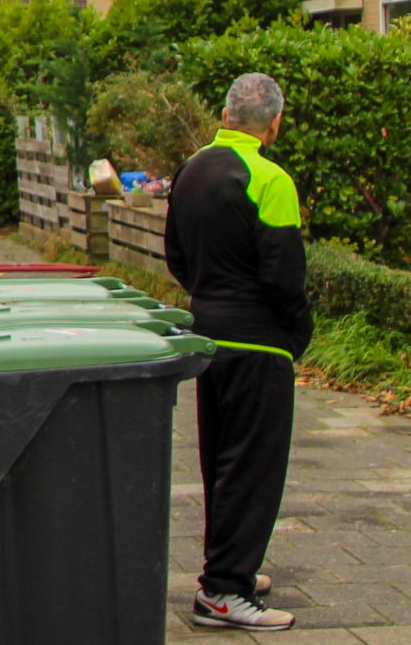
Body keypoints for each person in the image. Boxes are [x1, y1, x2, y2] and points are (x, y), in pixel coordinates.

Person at [165, 71, 308, 632]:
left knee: (219, 462)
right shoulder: (270, 179)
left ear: (225, 116)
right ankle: (224, 593)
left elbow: (176, 254)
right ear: (274, 123)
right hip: (258, 340)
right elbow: (284, 276)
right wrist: (296, 334)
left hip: (208, 336)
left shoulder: (191, 170)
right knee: (252, 468)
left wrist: (208, 295)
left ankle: (231, 567)